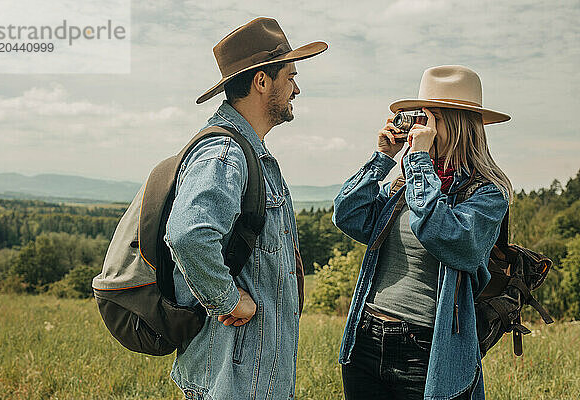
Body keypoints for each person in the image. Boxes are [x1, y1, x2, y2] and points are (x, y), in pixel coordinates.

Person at [163, 17, 327, 400]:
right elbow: (188, 234)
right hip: (234, 381)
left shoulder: (248, 152)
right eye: (290, 76)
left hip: (251, 377)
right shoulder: (226, 152)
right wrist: (229, 299)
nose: (296, 88)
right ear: (261, 81)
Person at [333, 65, 512, 400]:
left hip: (427, 352)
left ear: (456, 123)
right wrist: (383, 157)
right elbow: (348, 215)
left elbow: (447, 238)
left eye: (426, 119)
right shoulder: (408, 185)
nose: (416, 127)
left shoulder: (487, 193)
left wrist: (418, 163)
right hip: (366, 338)